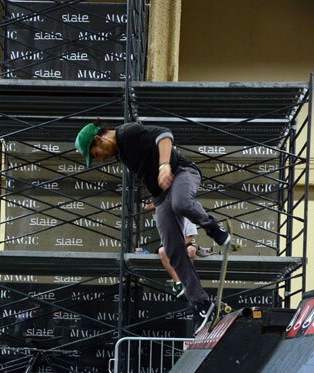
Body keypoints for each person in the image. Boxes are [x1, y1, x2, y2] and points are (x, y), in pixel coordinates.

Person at [75, 120, 230, 334]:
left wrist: (165, 165)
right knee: (172, 250)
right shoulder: (121, 151)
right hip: (160, 197)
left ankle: (214, 229)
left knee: (181, 203)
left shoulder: (128, 132)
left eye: (96, 153)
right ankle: (202, 304)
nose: (100, 159)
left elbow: (164, 135)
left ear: (100, 139)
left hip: (182, 173)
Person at [144, 201, 197, 298]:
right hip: (169, 243)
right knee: (162, 251)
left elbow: (190, 236)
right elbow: (147, 207)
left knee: (191, 251)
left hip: (185, 242)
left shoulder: (188, 216)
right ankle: (178, 282)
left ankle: (187, 280)